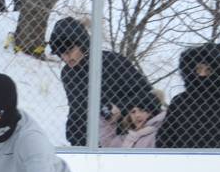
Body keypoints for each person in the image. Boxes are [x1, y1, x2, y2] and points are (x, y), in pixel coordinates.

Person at [47, 17, 155, 147]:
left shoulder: (113, 62)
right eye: (61, 54)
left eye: (69, 51)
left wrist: (120, 107)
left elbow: (148, 95)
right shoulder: (68, 74)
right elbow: (76, 109)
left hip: (121, 139)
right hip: (83, 142)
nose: (66, 58)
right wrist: (73, 134)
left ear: (82, 44)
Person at [159, 43, 220, 150]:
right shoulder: (180, 102)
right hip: (185, 163)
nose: (202, 75)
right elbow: (164, 139)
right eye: (198, 69)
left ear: (218, 71)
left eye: (208, 70)